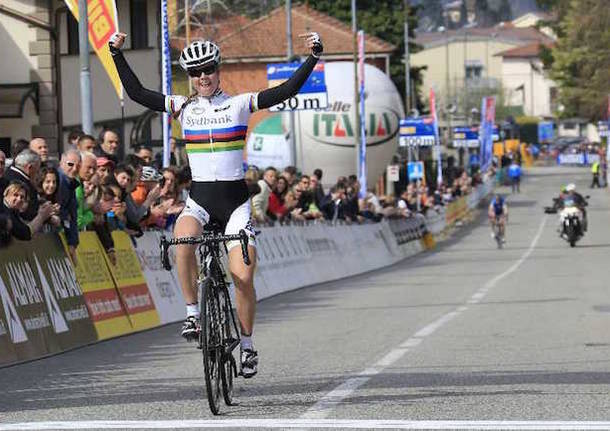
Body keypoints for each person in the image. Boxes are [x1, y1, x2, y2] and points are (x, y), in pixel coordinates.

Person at [110, 29, 323, 378]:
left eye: (207, 69)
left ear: (218, 69)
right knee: (182, 243)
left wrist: (313, 57)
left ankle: (248, 345)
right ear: (190, 78)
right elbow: (136, 93)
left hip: (236, 204)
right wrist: (116, 54)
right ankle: (193, 313)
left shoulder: (240, 104)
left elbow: (286, 90)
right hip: (201, 200)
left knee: (242, 276)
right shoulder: (183, 107)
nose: (202, 77)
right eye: (195, 73)